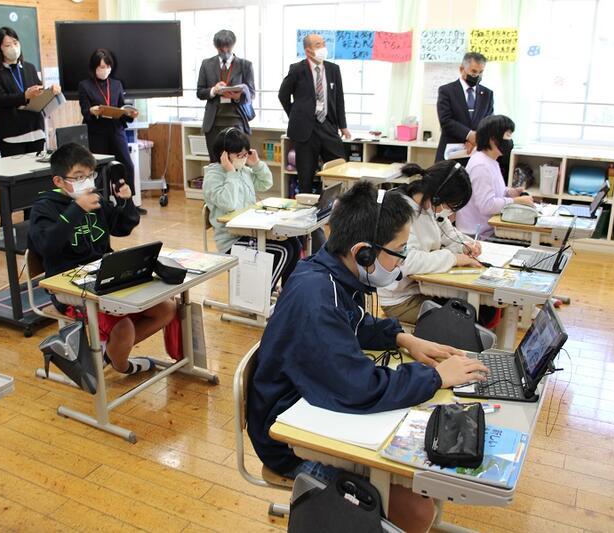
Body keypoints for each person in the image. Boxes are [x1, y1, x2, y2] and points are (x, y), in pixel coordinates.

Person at [247, 180, 488, 532]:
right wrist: (436, 377)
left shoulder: (332, 272)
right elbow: (360, 387)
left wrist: (403, 338)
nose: (402, 262)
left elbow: (356, 322)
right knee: (417, 511)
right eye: (399, 251)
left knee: (420, 486)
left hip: (307, 407)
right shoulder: (317, 298)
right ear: (363, 253)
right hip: (290, 440)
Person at [28, 143, 175, 375]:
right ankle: (121, 363)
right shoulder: (43, 208)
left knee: (166, 308)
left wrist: (126, 202)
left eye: (90, 176)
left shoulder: (93, 199)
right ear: (58, 181)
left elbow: (122, 228)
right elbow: (47, 245)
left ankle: (110, 352)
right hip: (67, 286)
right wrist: (77, 209)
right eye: (79, 177)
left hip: (103, 275)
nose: (87, 182)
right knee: (124, 329)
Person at [378, 161, 482, 323]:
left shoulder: (429, 206)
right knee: (461, 324)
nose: (450, 212)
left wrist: (465, 245)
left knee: (479, 311)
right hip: (400, 299)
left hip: (423, 289)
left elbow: (449, 233)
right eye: (451, 206)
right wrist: (454, 258)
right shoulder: (399, 210)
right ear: (438, 196)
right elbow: (407, 261)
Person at [203, 128, 301, 289]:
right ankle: (259, 295)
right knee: (283, 250)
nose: (243, 159)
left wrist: (256, 165)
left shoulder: (243, 171)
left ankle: (286, 293)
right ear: (224, 155)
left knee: (294, 243)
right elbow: (228, 203)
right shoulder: (214, 176)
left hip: (249, 232)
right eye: (239, 155)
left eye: (245, 155)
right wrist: (231, 173)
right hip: (231, 241)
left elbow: (265, 183)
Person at [279, 33, 350, 195]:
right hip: (305, 130)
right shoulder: (297, 69)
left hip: (328, 125)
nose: (323, 47)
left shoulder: (333, 69)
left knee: (339, 168)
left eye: (323, 44)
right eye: (318, 45)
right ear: (308, 50)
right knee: (305, 176)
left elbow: (339, 99)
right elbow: (283, 95)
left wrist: (343, 126)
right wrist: (295, 115)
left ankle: (337, 205)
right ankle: (306, 207)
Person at [78, 48, 146, 215]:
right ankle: (101, 205)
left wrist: (130, 114)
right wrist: (92, 111)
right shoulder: (85, 85)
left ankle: (127, 203)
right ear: (94, 67)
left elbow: (122, 108)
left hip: (116, 130)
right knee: (100, 169)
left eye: (108, 66)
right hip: (96, 132)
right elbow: (85, 111)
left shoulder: (116, 84)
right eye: (102, 67)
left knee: (126, 166)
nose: (105, 70)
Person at [0, 27, 61, 157]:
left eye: (15, 43)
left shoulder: (29, 67)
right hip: (12, 132)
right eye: (8, 45)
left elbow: (39, 90)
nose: (13, 48)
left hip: (35, 129)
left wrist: (50, 91)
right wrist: (25, 95)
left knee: (37, 167)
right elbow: (1, 98)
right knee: (14, 168)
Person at [456, 115, 534, 240]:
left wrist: (510, 192)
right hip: (476, 235)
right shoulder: (481, 165)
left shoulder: (491, 161)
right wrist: (516, 201)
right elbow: (486, 205)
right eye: (507, 135)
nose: (510, 141)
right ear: (493, 139)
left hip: (488, 229)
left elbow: (492, 191)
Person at [196, 30, 256, 164]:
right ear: (215, 46)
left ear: (233, 44)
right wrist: (214, 90)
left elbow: (251, 93)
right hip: (213, 122)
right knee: (215, 163)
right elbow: (200, 92)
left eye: (227, 47)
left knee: (238, 163)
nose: (224, 50)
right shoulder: (206, 64)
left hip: (237, 120)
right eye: (220, 48)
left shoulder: (245, 65)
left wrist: (237, 96)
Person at [435, 52, 494, 162]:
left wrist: (476, 140)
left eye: (481, 72)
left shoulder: (487, 94)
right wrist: (469, 135)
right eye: (474, 71)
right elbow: (446, 121)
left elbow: (489, 122)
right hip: (451, 153)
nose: (477, 76)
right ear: (462, 69)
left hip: (476, 152)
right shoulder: (446, 91)